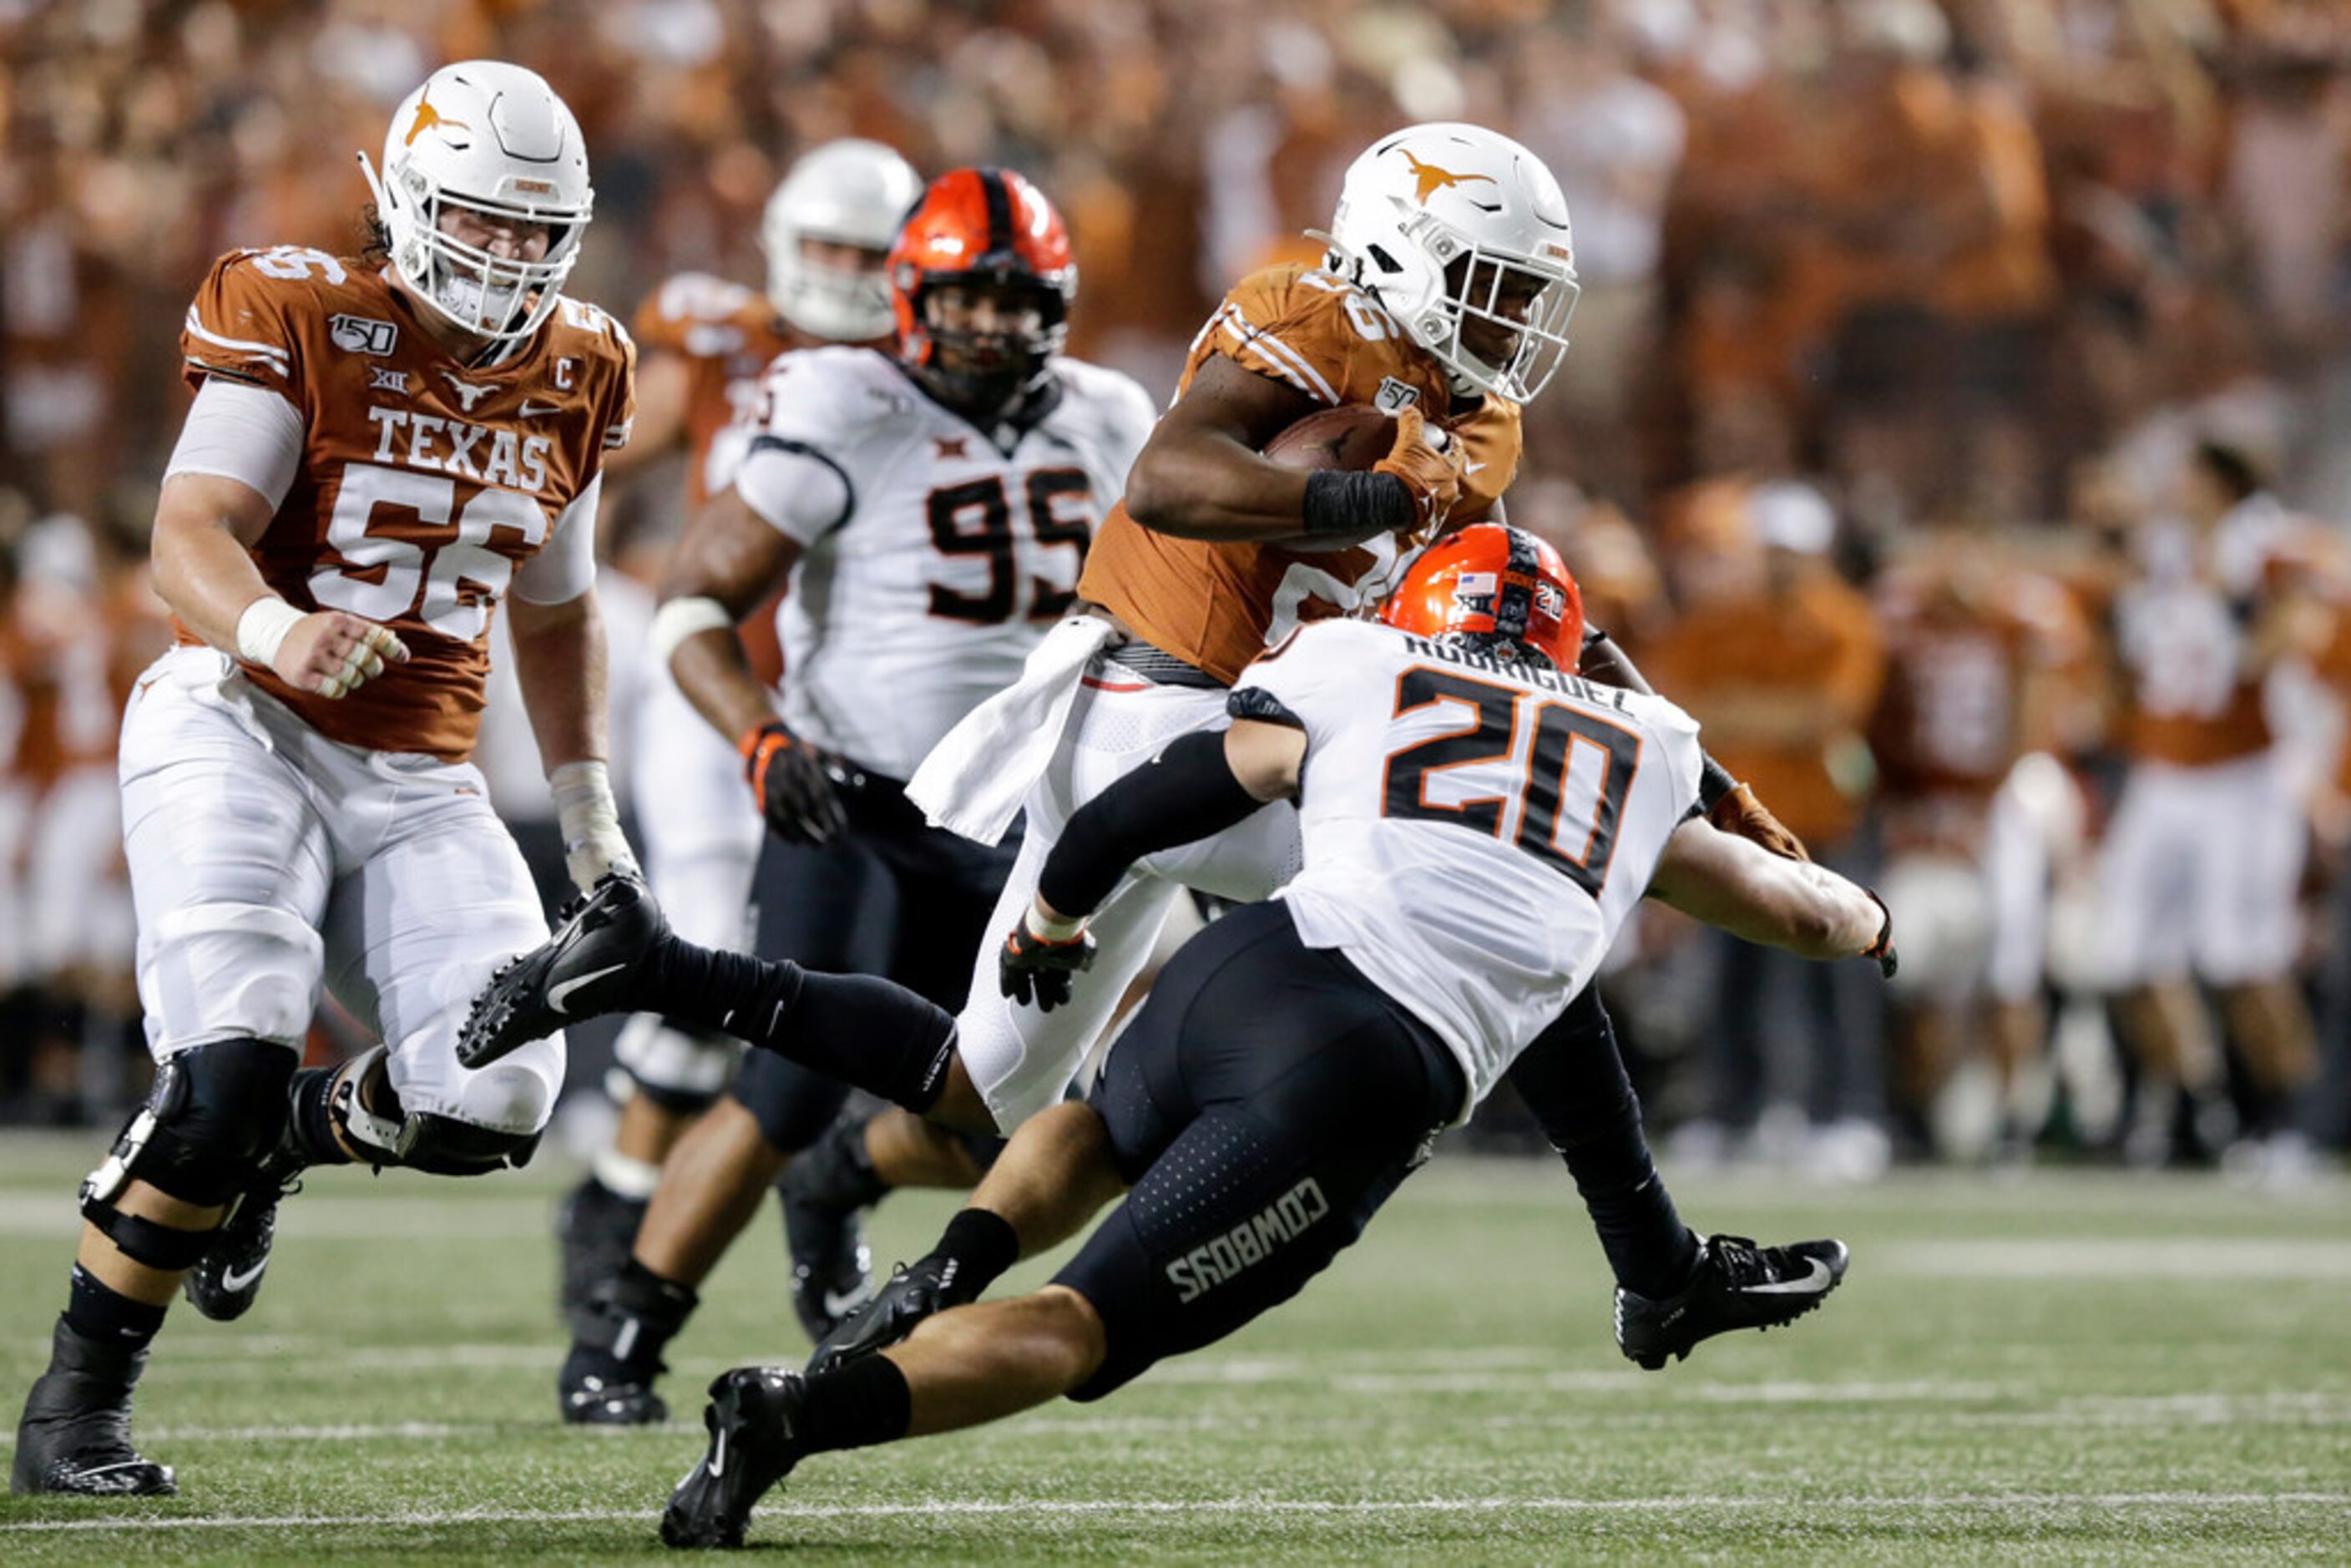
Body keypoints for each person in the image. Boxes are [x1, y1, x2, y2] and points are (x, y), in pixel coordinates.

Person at [471, 120, 1833, 1383]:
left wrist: (1701, 765)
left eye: (1528, 294)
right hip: (1155, 708)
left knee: (973, 1088)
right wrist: (1364, 488)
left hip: (1244, 737)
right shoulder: (1309, 313)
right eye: (1490, 283)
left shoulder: (1482, 418)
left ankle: (663, 982)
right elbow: (1170, 481)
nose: (1515, 321)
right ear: (1398, 256)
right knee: (1491, 887)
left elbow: (1524, 623)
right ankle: (1654, 1267)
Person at [471, 527, 1891, 1548]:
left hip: (1250, 965)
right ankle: (795, 1414)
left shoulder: (1355, 659)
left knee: (1078, 1113)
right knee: (1083, 1328)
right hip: (1359, 1065)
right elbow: (1792, 910)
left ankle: (930, 1237)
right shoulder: (1639, 740)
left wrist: (1058, 914)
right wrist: (1871, 916)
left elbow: (1151, 805)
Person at [11, 61, 639, 1497]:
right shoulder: (298, 306)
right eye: (483, 223)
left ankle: (284, 1141)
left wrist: (593, 817)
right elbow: (189, 535)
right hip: (241, 718)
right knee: (225, 1065)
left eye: (541, 232)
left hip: (421, 771)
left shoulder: (585, 361)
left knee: (497, 1102)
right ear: (410, 207)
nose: (513, 258)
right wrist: (287, 628)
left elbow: (557, 605)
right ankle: (76, 1413)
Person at [551, 166, 1156, 1424]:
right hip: (855, 803)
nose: (990, 322)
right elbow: (695, 603)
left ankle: (839, 1179)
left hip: (1016, 821)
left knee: (1006, 1124)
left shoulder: (1107, 411)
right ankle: (622, 1332)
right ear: (911, 292)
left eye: (1015, 297)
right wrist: (766, 742)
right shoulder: (844, 398)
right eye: (967, 295)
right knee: (775, 1086)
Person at [555, 139, 922, 1330]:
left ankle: (748, 1191)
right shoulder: (724, 346)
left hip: (843, 722)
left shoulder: (935, 373)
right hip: (713, 703)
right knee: (715, 951)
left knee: (852, 985)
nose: (844, 274)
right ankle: (618, 1205)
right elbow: (591, 456)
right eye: (823, 248)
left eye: (868, 254)